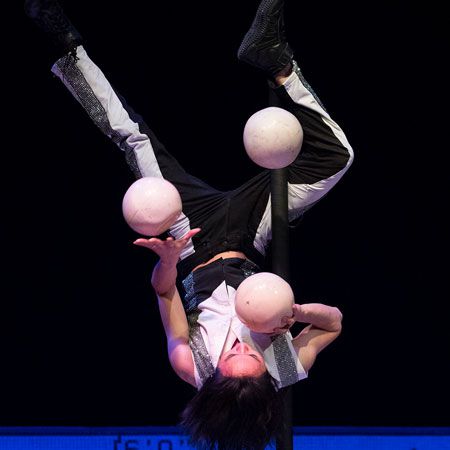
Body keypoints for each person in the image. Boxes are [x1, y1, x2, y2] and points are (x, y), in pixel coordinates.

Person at [25, 0, 354, 448]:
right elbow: (333, 324)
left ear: (213, 383)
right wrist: (296, 314)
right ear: (263, 384)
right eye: (248, 358)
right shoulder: (280, 366)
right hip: (249, 237)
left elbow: (165, 292)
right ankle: (276, 61)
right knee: (337, 158)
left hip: (190, 240)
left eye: (230, 358)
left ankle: (66, 47)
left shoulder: (191, 366)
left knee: (133, 138)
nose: (239, 349)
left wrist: (166, 260)